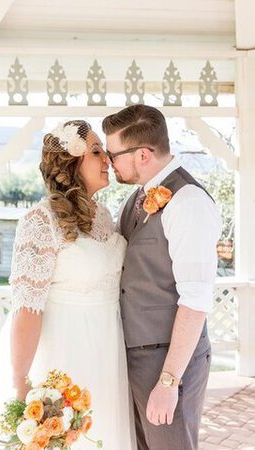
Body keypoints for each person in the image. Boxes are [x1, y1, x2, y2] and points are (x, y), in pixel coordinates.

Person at [0, 120, 135, 450]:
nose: (108, 159)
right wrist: (21, 384)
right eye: (97, 151)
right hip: (63, 355)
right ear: (72, 162)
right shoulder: (40, 221)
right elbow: (27, 308)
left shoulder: (105, 216)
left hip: (108, 351)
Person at [102, 105, 222, 450]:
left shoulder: (189, 203)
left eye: (113, 154)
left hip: (169, 361)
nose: (110, 162)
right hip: (134, 357)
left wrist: (169, 382)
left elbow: (196, 301)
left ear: (142, 154)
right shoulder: (134, 200)